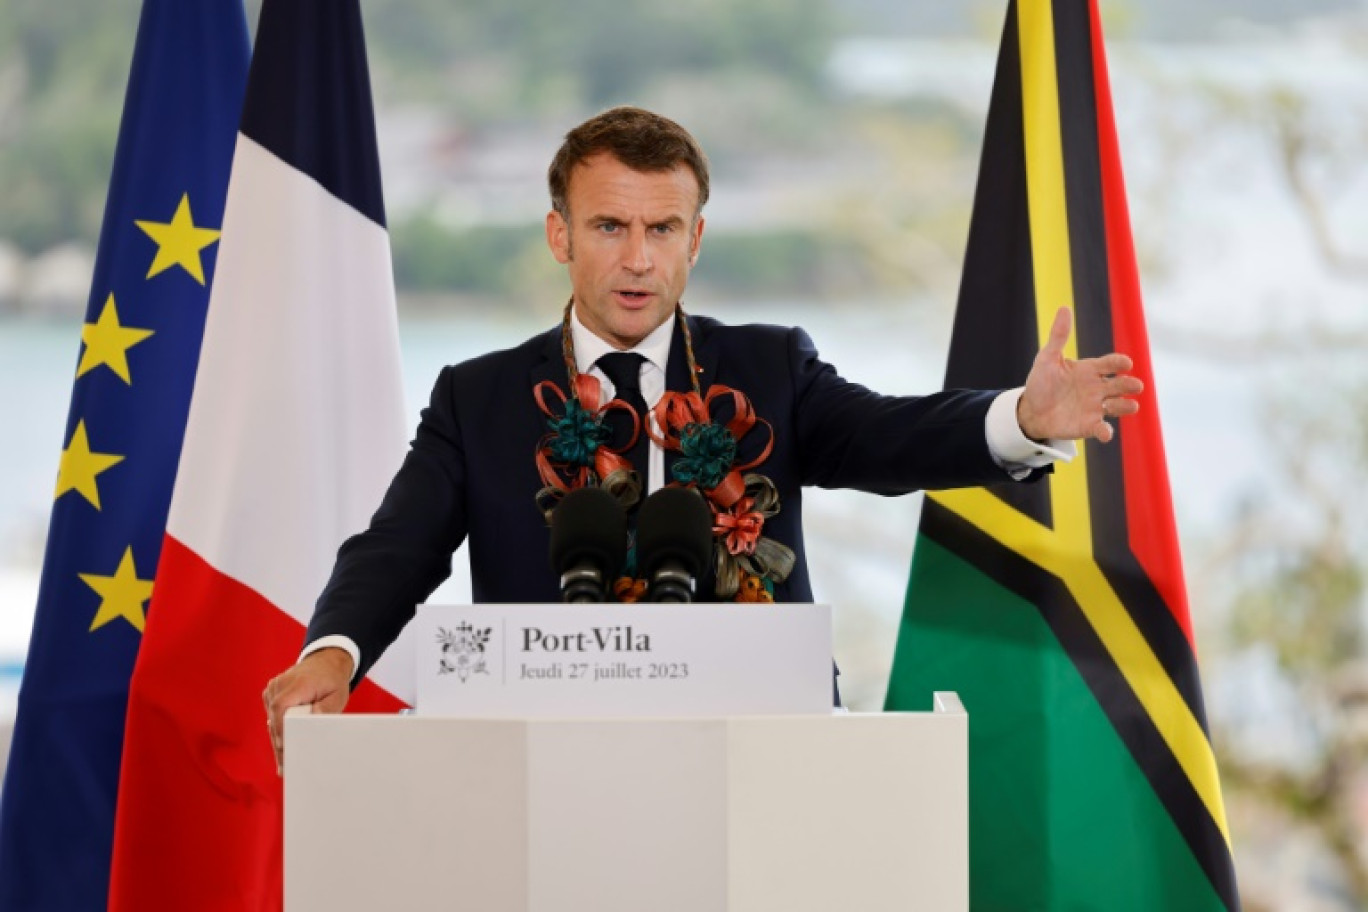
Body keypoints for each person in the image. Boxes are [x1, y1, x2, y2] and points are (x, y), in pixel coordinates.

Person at [262, 107, 1141, 763]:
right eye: (610, 226)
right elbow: (395, 548)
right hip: (541, 768)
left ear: (697, 240)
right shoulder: (478, 397)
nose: (638, 258)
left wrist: (1019, 421)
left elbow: (884, 436)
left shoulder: (769, 369)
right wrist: (334, 650)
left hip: (761, 761)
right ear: (559, 234)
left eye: (662, 229)